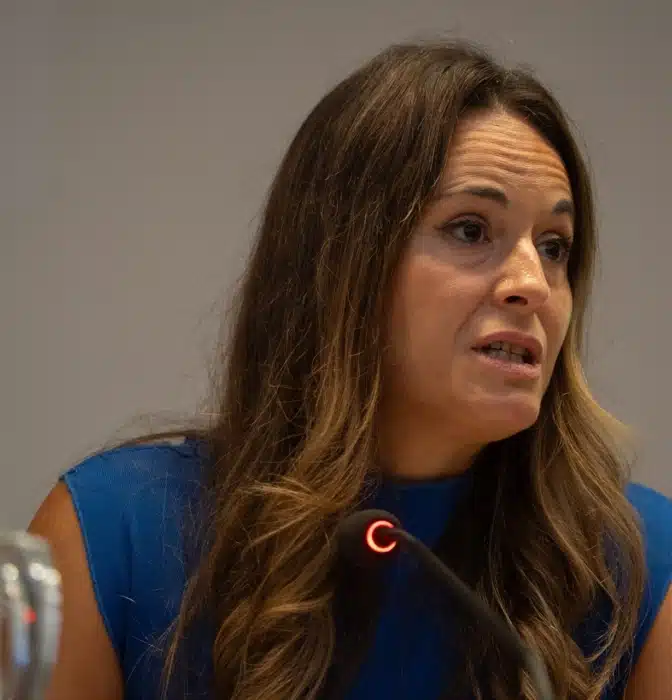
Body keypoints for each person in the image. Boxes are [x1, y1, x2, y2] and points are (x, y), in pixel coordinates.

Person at [29, 40, 672, 700]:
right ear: (342, 266)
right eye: (471, 230)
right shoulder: (115, 535)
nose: (533, 284)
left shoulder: (641, 566)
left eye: (555, 246)